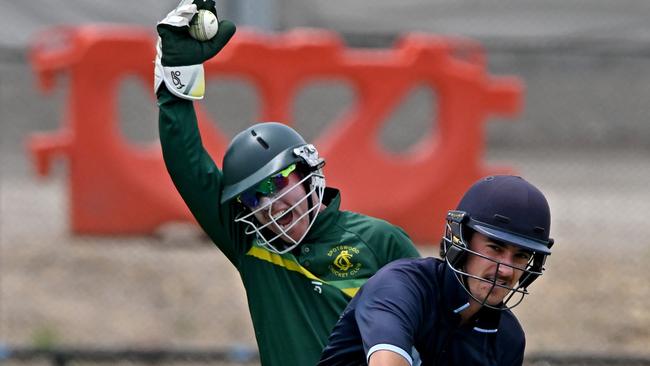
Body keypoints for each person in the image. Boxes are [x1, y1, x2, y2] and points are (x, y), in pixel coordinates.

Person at [153, 1, 420, 365]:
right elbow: (188, 166)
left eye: (278, 182)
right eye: (253, 197)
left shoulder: (382, 241)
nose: (271, 204)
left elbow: (433, 330)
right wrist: (175, 75)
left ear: (308, 171)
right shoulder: (251, 242)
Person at [318, 175, 556, 366]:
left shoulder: (508, 339)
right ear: (459, 241)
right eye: (494, 248)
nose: (505, 269)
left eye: (521, 256)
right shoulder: (399, 287)